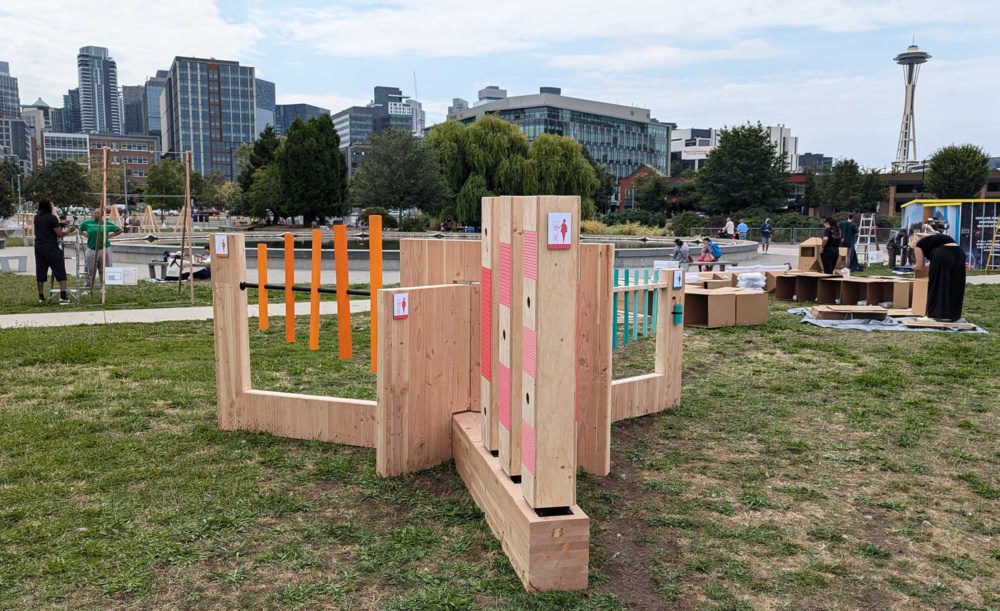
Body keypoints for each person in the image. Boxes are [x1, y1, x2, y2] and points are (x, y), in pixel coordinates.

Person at [33, 199, 76, 305]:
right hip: (51, 247)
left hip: (39, 247)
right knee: (60, 271)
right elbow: (60, 234)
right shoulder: (52, 218)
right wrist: (70, 230)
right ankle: (63, 297)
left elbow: (45, 226)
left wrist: (60, 223)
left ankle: (41, 297)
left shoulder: (36, 218)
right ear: (49, 207)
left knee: (40, 271)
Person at [914, 233, 965, 321]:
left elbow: (920, 266)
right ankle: (954, 316)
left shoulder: (919, 244)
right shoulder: (939, 238)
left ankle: (934, 315)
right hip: (959, 253)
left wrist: (909, 268)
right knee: (956, 285)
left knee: (937, 284)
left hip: (942, 253)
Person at [79, 207, 123, 288]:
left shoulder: (107, 224)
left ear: (102, 215)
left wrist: (111, 235)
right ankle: (88, 286)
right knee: (89, 269)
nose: (96, 214)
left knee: (105, 268)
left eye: (98, 213)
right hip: (91, 248)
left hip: (104, 248)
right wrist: (86, 235)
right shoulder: (87, 223)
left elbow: (119, 230)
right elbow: (79, 229)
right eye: (95, 213)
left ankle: (104, 286)